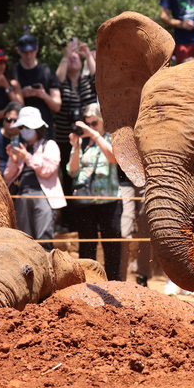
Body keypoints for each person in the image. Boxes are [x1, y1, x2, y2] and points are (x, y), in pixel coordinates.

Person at [68, 103, 122, 281]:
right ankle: (88, 283)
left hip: (109, 201)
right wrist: (75, 147)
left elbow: (113, 158)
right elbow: (73, 171)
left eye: (94, 123)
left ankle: (115, 284)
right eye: (87, 123)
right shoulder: (81, 142)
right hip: (86, 203)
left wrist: (95, 135)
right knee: (87, 246)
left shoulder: (110, 138)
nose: (90, 127)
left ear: (102, 122)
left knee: (112, 246)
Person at [4, 107, 66, 252]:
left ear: (38, 127)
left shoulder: (49, 145)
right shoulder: (20, 148)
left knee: (44, 239)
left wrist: (26, 156)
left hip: (43, 196)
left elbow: (47, 170)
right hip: (22, 196)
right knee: (24, 240)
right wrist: (14, 160)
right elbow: (7, 176)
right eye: (22, 127)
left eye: (28, 126)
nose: (24, 130)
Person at [55, 37, 97, 204]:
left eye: (76, 57)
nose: (73, 58)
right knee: (67, 175)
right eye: (70, 58)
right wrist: (66, 55)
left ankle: (93, 206)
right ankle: (68, 217)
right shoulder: (61, 83)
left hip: (88, 135)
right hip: (65, 138)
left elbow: (97, 76)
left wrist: (87, 55)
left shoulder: (87, 81)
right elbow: (56, 79)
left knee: (89, 171)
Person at [9, 34, 61, 138]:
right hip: (20, 129)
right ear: (18, 50)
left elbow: (57, 106)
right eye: (25, 52)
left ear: (36, 49)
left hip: (44, 129)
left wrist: (43, 95)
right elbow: (6, 104)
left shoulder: (48, 72)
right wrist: (20, 94)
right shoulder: (11, 73)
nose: (28, 56)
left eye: (31, 51)